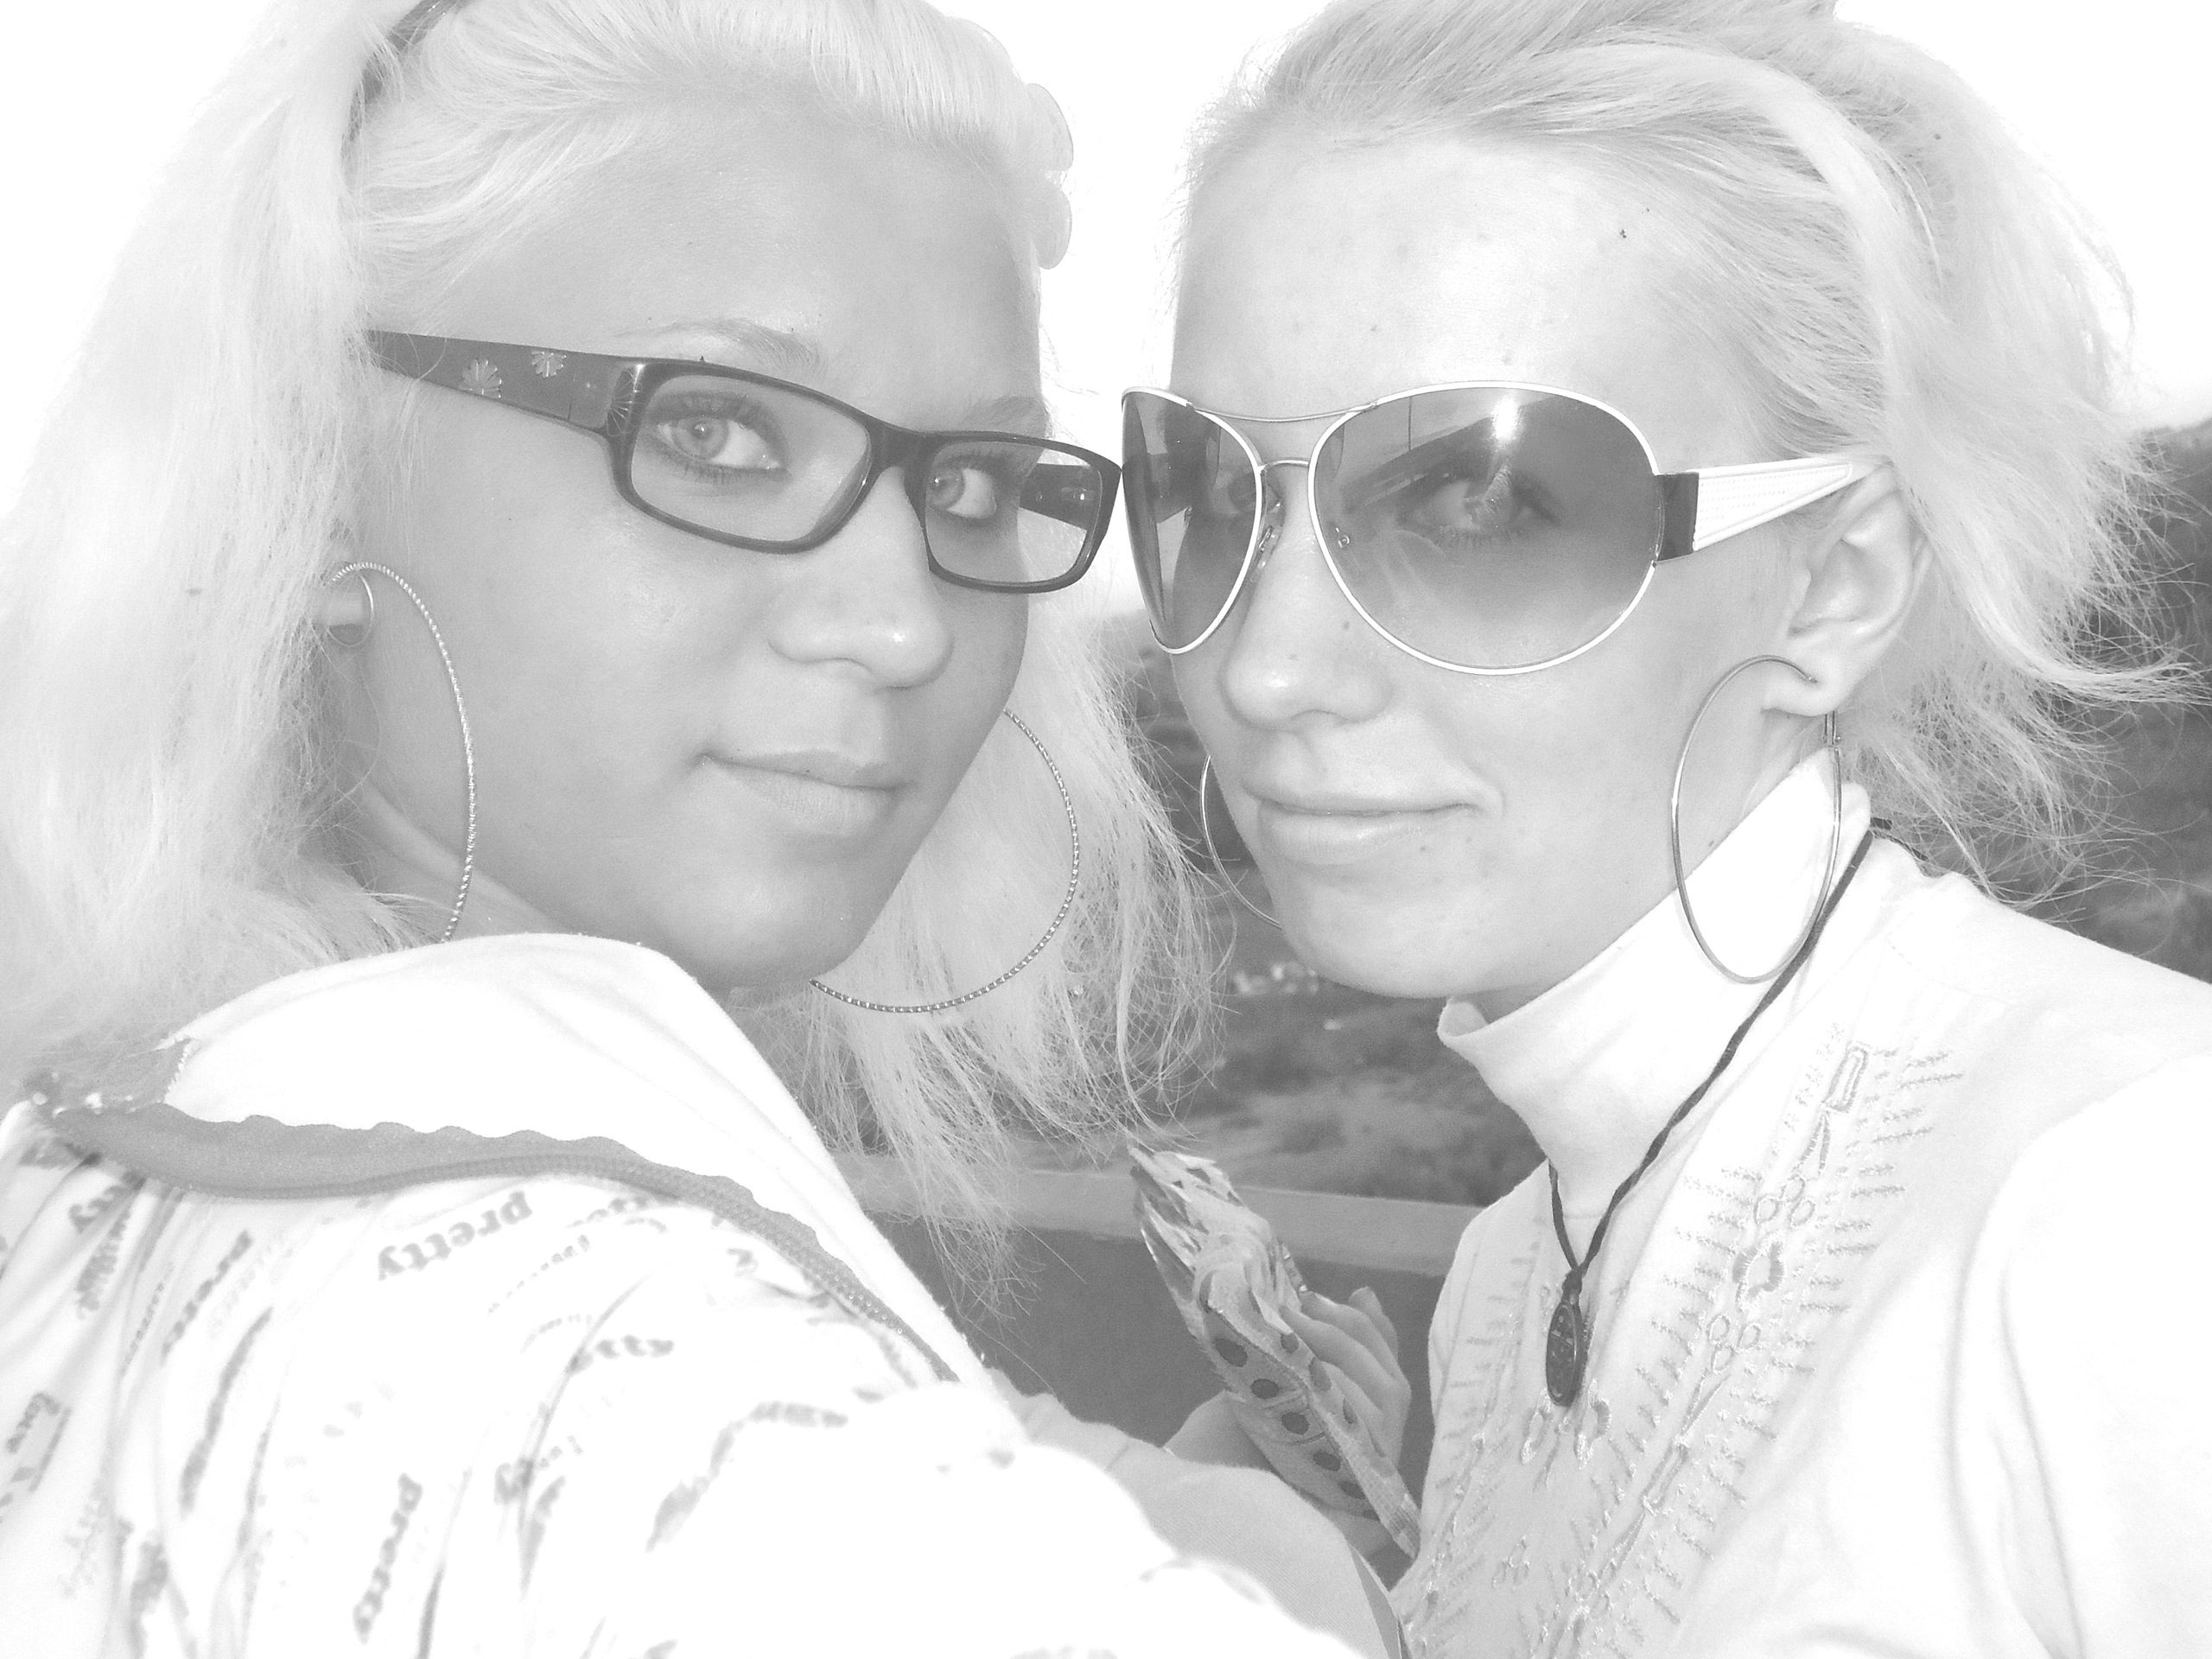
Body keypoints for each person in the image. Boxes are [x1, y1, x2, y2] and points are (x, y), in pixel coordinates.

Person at [0, 1, 1396, 1653]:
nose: (904, 624)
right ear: (316, 463)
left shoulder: (96, 1170)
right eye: (713, 432)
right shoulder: (690, 1429)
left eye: (967, 482)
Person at [1122, 0, 2212, 1653]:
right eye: (1206, 492)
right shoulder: (1504, 1288)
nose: (1265, 668)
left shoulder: (2130, 1199)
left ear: (1836, 582)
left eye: (1481, 500)